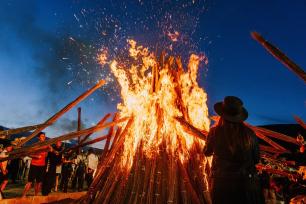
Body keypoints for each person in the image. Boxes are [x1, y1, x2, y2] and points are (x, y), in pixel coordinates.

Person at [203, 96, 264, 204]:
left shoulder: (214, 132)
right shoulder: (250, 134)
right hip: (247, 184)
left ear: (222, 115)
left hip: (222, 184)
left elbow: (207, 152)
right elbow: (256, 158)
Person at [22, 132, 49, 197]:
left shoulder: (47, 144)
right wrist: (35, 156)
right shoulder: (35, 145)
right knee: (30, 182)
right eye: (42, 136)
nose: (43, 137)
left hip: (42, 166)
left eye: (44, 136)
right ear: (38, 137)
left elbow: (49, 152)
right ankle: (23, 195)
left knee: (39, 182)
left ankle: (36, 196)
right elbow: (28, 153)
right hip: (34, 165)